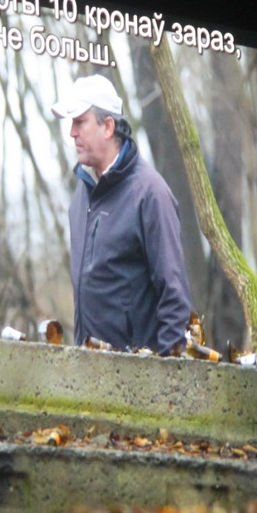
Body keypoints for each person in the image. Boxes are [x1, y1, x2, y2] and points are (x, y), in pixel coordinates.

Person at [51, 74, 193, 355]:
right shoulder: (81, 196)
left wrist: (165, 380)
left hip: (137, 385)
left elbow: (174, 298)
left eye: (80, 122)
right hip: (88, 376)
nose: (72, 133)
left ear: (108, 127)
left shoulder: (150, 194)